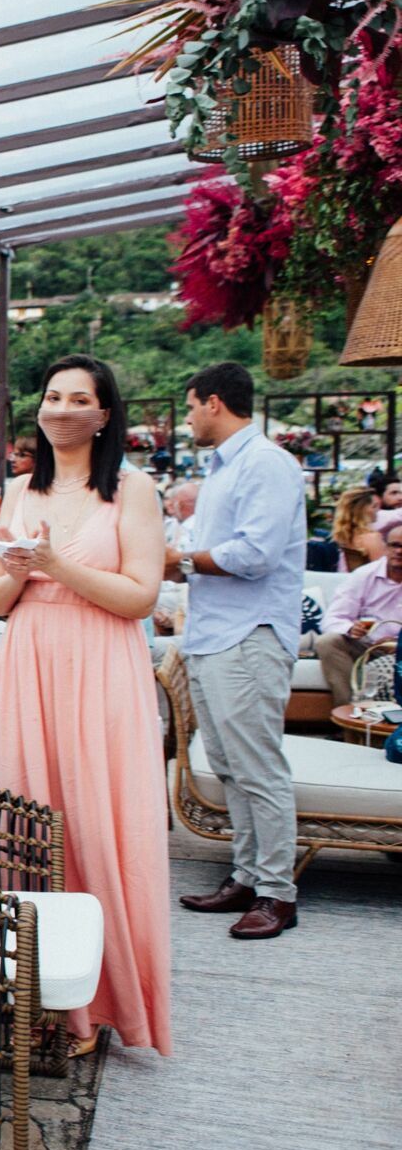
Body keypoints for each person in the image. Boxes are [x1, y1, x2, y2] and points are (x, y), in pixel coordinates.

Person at [0, 354, 171, 1054]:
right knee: (23, 819)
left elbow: (141, 596)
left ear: (103, 414)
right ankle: (36, 991)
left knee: (98, 823)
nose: (61, 408)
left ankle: (103, 998)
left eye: (78, 398)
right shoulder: (21, 491)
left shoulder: (133, 491)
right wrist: (20, 574)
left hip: (100, 665)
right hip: (28, 662)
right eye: (52, 396)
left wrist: (57, 566)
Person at [167, 362, 308, 940]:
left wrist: (174, 562)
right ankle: (249, 877)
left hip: (248, 634)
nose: (190, 418)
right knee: (228, 766)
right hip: (215, 631)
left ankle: (277, 892)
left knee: (256, 767)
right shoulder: (224, 467)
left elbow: (254, 555)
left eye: (192, 406)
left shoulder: (266, 463)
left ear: (216, 403)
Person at [315, 526, 402, 705]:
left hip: (400, 649)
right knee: (328, 642)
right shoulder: (364, 575)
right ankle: (350, 714)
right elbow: (332, 619)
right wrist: (350, 628)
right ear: (385, 547)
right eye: (394, 545)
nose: (399, 551)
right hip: (367, 646)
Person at [331, 486, 385, 572]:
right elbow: (383, 572)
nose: (378, 510)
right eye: (374, 506)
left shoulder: (347, 535)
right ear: (361, 510)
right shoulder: (372, 538)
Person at [162, 480, 199, 551]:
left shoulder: (195, 526)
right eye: (166, 498)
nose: (170, 503)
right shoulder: (168, 525)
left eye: (174, 499)